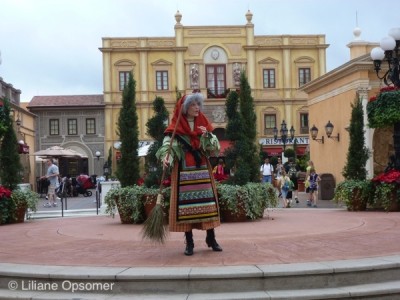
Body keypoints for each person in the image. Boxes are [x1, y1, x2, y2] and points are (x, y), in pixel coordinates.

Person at [157, 93, 222, 256]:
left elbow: (214, 148)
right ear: (185, 108)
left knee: (208, 205)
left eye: (198, 104)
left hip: (202, 171)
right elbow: (168, 146)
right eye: (193, 105)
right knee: (185, 207)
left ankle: (211, 238)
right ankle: (189, 242)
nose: (197, 107)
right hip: (183, 171)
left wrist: (207, 136)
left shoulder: (204, 125)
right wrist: (166, 157)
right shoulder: (175, 128)